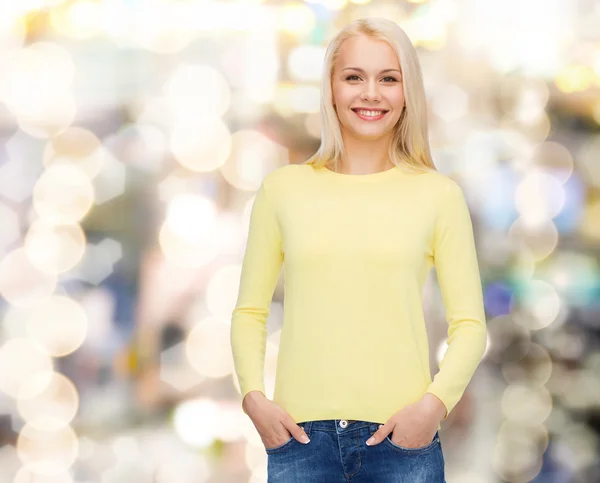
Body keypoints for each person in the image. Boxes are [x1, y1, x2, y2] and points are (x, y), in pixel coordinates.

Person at [230, 17, 487, 482]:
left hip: (402, 442)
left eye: (389, 78)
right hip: (300, 443)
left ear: (408, 91)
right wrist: (253, 398)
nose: (371, 93)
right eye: (354, 77)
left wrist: (432, 407)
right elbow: (250, 311)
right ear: (330, 88)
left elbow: (469, 325)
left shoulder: (438, 195)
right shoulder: (283, 190)